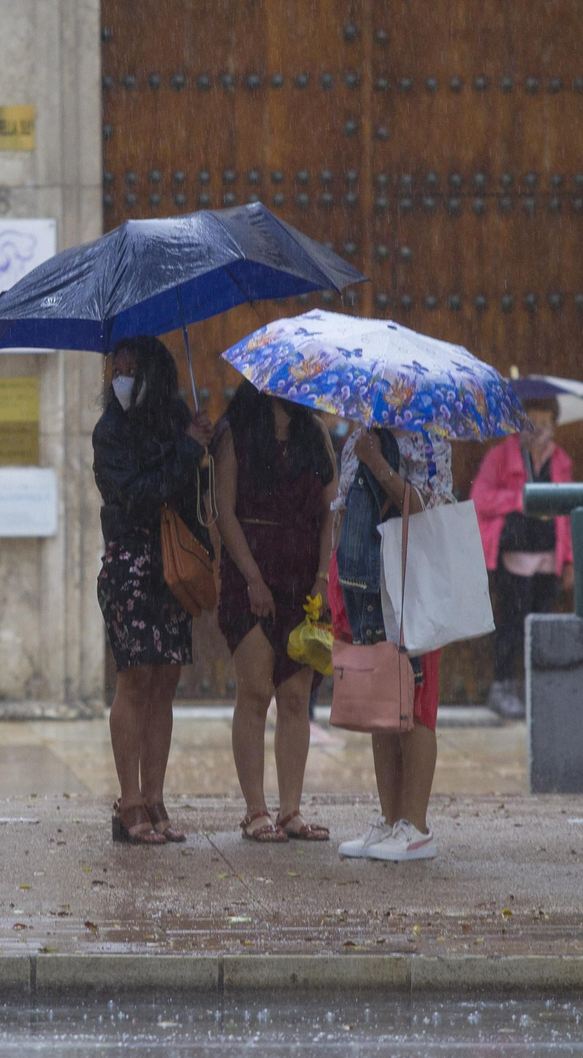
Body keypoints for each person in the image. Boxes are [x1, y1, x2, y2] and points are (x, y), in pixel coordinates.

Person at [92, 336, 212, 845]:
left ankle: (156, 794)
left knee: (165, 681)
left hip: (172, 566)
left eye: (128, 366)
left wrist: (202, 444)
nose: (118, 375)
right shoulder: (110, 432)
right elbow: (134, 495)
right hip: (131, 562)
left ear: (152, 372)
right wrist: (186, 450)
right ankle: (129, 801)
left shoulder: (175, 419)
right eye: (114, 365)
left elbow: (187, 493)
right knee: (135, 678)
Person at [212, 382, 338, 843]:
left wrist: (323, 578)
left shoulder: (316, 433)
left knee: (295, 696)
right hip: (251, 574)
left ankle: (291, 810)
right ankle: (255, 810)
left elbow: (330, 512)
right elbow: (224, 511)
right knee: (256, 690)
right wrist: (252, 579)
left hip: (303, 580)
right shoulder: (236, 432)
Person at [330, 424, 455, 863]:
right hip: (366, 581)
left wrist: (380, 465)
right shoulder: (360, 434)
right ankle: (388, 820)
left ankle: (415, 825)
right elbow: (345, 507)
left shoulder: (428, 437)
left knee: (417, 699)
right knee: (382, 699)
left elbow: (425, 507)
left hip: (413, 576)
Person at [470, 398, 573, 719]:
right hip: (513, 553)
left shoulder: (561, 461)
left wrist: (570, 560)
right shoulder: (500, 456)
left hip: (547, 557)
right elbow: (480, 499)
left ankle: (536, 689)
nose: (539, 428)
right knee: (512, 624)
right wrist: (520, 498)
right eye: (533, 419)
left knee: (540, 625)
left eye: (545, 421)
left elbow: (568, 512)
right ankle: (503, 686)